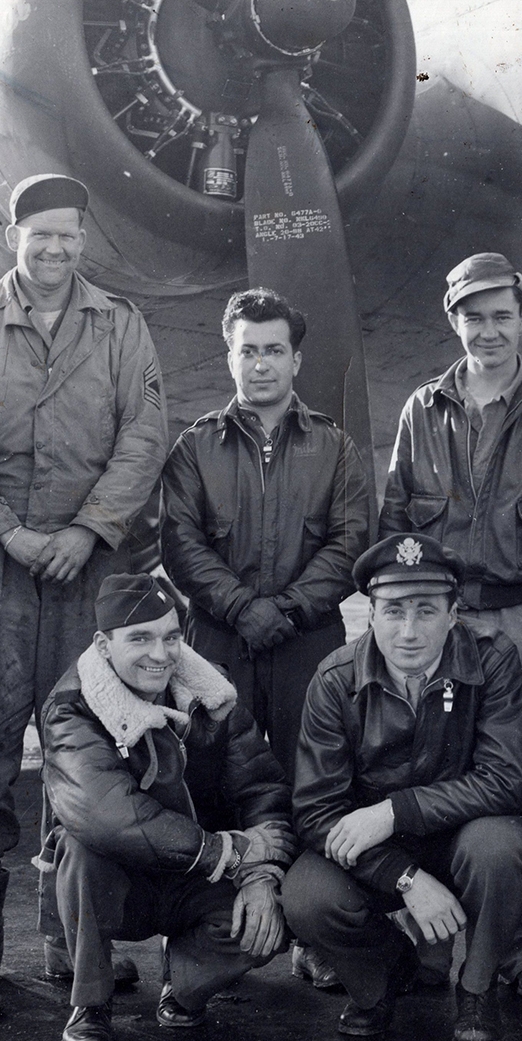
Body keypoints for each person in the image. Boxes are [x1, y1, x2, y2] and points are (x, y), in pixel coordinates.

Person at [0, 173, 170, 986]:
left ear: (83, 240)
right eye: (40, 235)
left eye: (68, 234)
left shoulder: (121, 327)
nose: (55, 249)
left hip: (85, 573)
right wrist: (9, 533)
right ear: (11, 237)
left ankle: (71, 939)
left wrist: (87, 529)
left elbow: (143, 435)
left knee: (84, 754)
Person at [379, 250, 522, 997]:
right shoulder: (423, 408)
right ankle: (425, 935)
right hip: (444, 619)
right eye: (473, 317)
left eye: (501, 315)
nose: (488, 331)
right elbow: (395, 523)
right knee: (433, 766)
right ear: (454, 322)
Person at [283, 533, 522, 1041]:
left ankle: (476, 989)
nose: (408, 631)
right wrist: (403, 878)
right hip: (377, 854)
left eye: (426, 612)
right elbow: (315, 812)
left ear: (453, 615)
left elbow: (506, 780)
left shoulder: (491, 662)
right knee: (306, 895)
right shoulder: (335, 679)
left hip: (459, 839)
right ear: (371, 614)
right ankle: (381, 979)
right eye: (394, 610)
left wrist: (396, 811)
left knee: (502, 847)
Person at [38, 573, 297, 1041]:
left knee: (279, 914)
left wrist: (262, 874)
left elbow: (261, 786)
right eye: (140, 638)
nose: (160, 654)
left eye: (171, 637)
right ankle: (91, 1003)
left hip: (197, 876)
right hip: (123, 882)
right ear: (103, 643)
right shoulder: (70, 705)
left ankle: (183, 988)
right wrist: (230, 851)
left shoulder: (213, 694)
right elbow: (108, 816)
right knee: (81, 846)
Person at [159, 286, 372, 780]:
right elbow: (181, 545)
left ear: (295, 361)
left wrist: (289, 609)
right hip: (220, 640)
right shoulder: (194, 448)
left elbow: (350, 543)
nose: (261, 365)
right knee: (213, 776)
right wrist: (242, 609)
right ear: (229, 358)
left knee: (315, 773)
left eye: (274, 351)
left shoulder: (335, 447)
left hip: (308, 640)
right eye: (248, 351)